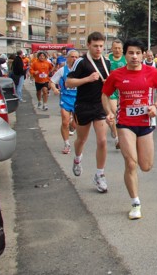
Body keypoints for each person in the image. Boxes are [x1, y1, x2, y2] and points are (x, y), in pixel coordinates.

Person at [102, 38, 157, 219]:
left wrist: (155, 105)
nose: (134, 56)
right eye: (130, 53)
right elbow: (105, 94)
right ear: (125, 55)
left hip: (146, 124)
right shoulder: (117, 75)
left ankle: (135, 193)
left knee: (145, 166)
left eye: (138, 53)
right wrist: (109, 112)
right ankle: (135, 203)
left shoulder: (152, 72)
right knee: (131, 163)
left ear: (143, 54)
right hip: (125, 123)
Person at [66, 32, 112, 193]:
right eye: (95, 46)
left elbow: (110, 84)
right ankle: (77, 159)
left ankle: (100, 175)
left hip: (99, 106)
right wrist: (87, 79)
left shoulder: (106, 62)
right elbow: (68, 82)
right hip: (83, 105)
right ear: (88, 45)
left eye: (101, 46)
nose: (99, 49)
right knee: (81, 139)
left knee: (102, 141)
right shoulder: (81, 62)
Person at [50, 50, 79, 154]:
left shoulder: (81, 70)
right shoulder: (62, 70)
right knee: (65, 122)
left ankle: (73, 125)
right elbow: (52, 81)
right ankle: (67, 144)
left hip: (78, 99)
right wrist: (54, 89)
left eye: (76, 57)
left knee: (76, 124)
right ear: (67, 58)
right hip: (65, 98)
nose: (74, 59)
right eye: (72, 57)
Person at [107, 40, 127, 149]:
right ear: (112, 48)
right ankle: (117, 138)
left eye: (119, 48)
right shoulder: (107, 59)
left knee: (122, 114)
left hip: (124, 89)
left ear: (122, 49)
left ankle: (119, 131)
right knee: (114, 111)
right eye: (115, 48)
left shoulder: (126, 59)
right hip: (112, 89)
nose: (117, 50)